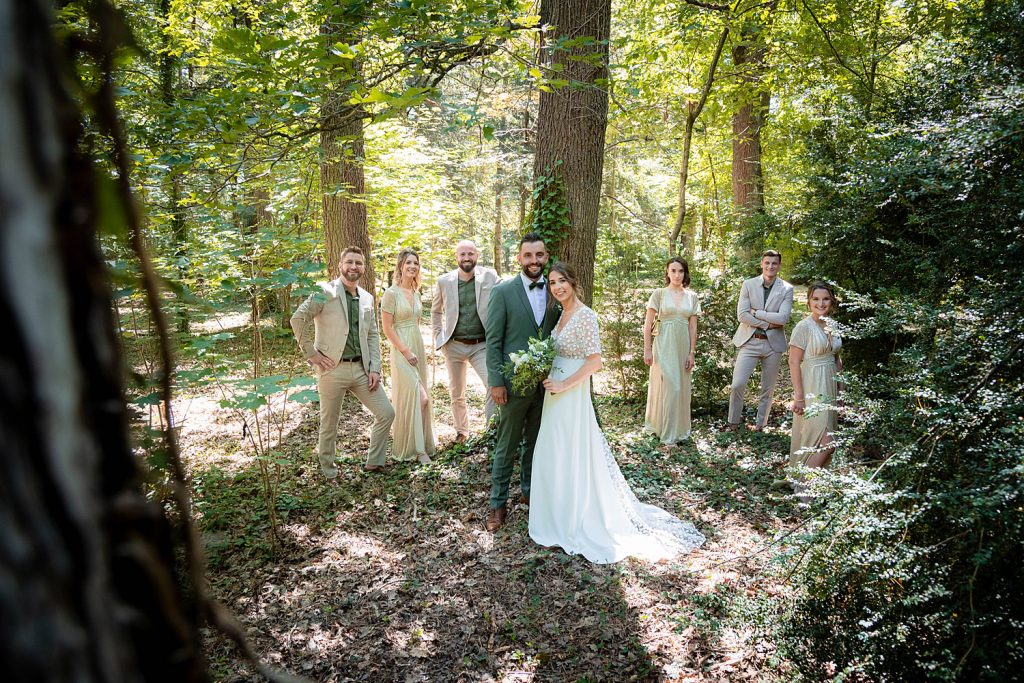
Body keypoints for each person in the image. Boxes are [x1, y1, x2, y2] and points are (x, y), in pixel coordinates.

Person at [528, 263, 705, 563]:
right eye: (553, 282)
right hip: (554, 394)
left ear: (573, 282)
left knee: (571, 450)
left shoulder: (585, 315)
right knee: (554, 450)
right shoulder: (559, 315)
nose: (557, 287)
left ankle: (574, 516)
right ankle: (555, 512)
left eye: (562, 281)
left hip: (569, 394)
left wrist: (563, 384)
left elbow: (595, 362)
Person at [290, 246, 395, 477]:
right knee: (329, 423)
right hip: (332, 369)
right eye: (349, 262)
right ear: (340, 265)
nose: (353, 266)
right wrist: (311, 354)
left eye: (358, 263)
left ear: (364, 267)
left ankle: (374, 462)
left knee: (386, 413)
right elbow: (297, 319)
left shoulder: (367, 297)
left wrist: (375, 368)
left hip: (361, 370)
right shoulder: (324, 291)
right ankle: (328, 471)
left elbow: (372, 334)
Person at [484, 232, 559, 532]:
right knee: (507, 445)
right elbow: (493, 341)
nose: (534, 261)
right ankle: (497, 504)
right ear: (519, 258)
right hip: (513, 385)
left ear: (546, 256)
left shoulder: (555, 290)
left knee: (536, 443)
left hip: (548, 386)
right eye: (528, 255)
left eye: (539, 255)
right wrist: (496, 382)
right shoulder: (503, 292)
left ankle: (530, 492)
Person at [431, 240, 500, 442]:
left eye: (470, 253)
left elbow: (506, 294)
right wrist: (438, 336)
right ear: (456, 257)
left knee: (493, 385)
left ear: (477, 255)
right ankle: (462, 432)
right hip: (454, 344)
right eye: (462, 254)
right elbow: (435, 311)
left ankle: (491, 431)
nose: (466, 258)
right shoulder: (444, 281)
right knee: (456, 392)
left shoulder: (490, 276)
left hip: (481, 345)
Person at [727, 250, 794, 431]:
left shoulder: (787, 288)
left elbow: (783, 318)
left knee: (768, 388)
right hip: (750, 341)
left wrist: (757, 313)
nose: (770, 266)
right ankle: (733, 423)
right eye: (767, 262)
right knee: (737, 384)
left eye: (774, 263)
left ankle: (760, 425)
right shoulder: (748, 284)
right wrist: (766, 324)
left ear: (779, 265)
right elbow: (742, 315)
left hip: (773, 345)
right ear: (761, 264)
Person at [381, 248, 436, 464]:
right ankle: (416, 450)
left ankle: (420, 444)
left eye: (416, 263)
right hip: (401, 349)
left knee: (421, 397)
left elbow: (416, 323)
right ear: (400, 267)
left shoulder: (417, 293)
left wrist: (417, 349)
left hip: (417, 346)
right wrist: (405, 350)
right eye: (408, 263)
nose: (412, 266)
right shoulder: (391, 293)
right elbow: (387, 328)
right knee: (418, 397)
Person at [643, 257, 701, 444]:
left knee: (680, 387)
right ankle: (664, 431)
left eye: (680, 271)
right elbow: (647, 325)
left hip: (683, 347)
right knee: (669, 387)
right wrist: (647, 350)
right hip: (663, 344)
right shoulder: (659, 294)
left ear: (685, 273)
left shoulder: (692, 297)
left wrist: (692, 352)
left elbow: (693, 327)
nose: (677, 275)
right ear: (667, 272)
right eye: (673, 270)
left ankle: (678, 430)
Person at [789, 282, 843, 475]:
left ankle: (810, 483)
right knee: (827, 441)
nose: (821, 303)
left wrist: (842, 392)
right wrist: (799, 397)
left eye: (826, 299)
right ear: (809, 302)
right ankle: (802, 484)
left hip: (830, 385)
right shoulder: (803, 327)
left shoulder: (833, 325)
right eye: (816, 299)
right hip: (812, 385)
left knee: (828, 440)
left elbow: (837, 359)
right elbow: (794, 362)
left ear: (832, 301)